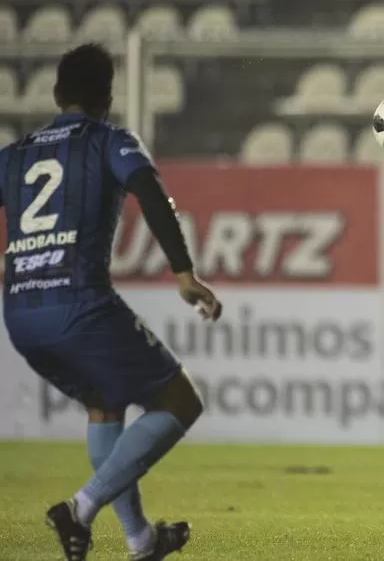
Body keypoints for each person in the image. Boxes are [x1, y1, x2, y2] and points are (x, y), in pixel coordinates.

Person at [0, 43, 222, 561]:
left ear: (56, 95)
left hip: (20, 315)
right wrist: (185, 274)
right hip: (79, 306)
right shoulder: (109, 141)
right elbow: (149, 192)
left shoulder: (13, 154)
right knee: (180, 401)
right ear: (107, 98)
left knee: (104, 406)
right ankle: (79, 508)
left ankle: (141, 541)